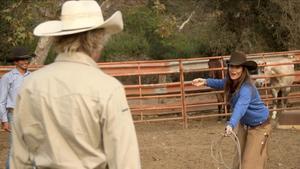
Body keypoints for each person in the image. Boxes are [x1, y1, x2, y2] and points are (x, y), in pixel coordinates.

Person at [10, 1, 141, 169]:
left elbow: (19, 158)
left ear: (59, 39)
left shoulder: (30, 85)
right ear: (97, 40)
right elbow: (125, 161)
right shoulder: (108, 88)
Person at [192, 51, 271, 169]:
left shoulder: (247, 88)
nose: (233, 70)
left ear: (243, 69)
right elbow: (220, 83)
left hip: (259, 127)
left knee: (249, 165)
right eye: (231, 66)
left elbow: (241, 107)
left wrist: (231, 124)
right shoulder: (231, 82)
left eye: (237, 67)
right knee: (237, 162)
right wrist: (205, 81)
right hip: (245, 126)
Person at [0, 46, 35, 169]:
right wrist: (4, 120)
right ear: (15, 61)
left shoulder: (32, 77)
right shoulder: (7, 77)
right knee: (14, 147)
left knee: (32, 145)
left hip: (30, 115)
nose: (26, 61)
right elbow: (1, 101)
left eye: (27, 59)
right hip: (13, 115)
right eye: (22, 59)